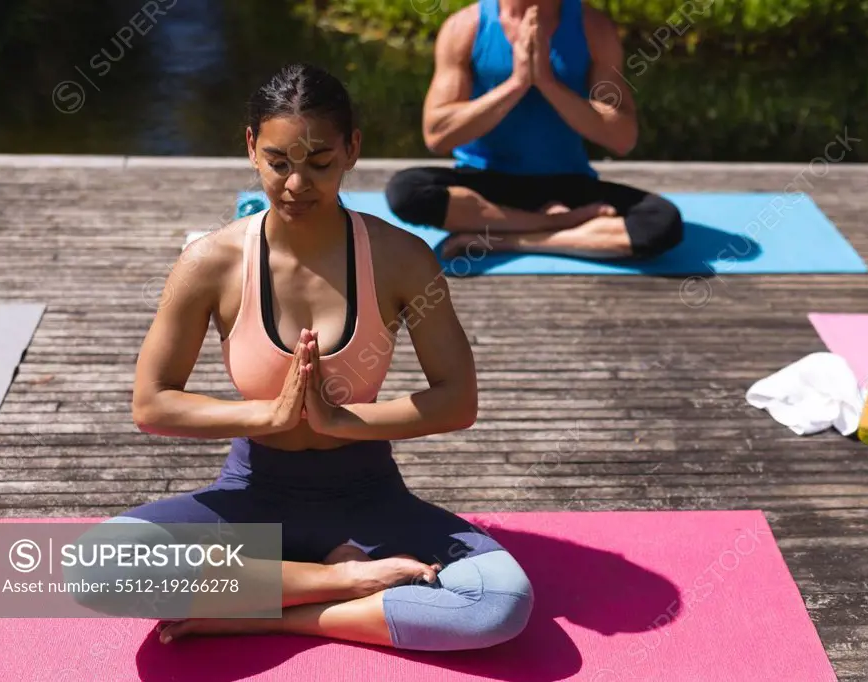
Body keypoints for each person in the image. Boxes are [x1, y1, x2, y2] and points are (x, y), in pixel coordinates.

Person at [72, 63, 534, 652]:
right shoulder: (209, 263)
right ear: (250, 148)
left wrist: (343, 422)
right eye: (278, 162)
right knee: (94, 567)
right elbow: (151, 403)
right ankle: (340, 581)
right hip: (252, 497)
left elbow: (457, 399)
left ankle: (269, 611)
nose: (296, 184)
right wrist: (265, 417)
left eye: (319, 163)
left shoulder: (401, 259)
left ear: (352, 151)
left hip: (370, 498)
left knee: (501, 603)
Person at [386, 0, 684, 262]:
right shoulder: (465, 28)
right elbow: (438, 135)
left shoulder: (594, 29)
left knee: (661, 222)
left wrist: (547, 82)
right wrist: (517, 84)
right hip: (486, 186)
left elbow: (622, 138)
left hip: (566, 184)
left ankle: (513, 239)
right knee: (406, 191)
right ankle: (563, 224)